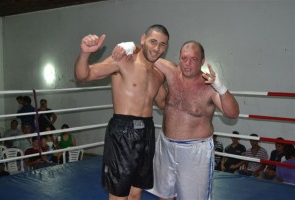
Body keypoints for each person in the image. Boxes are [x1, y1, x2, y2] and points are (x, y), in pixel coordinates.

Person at [113, 40, 239, 199]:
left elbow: (232, 113)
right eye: (184, 58)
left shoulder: (209, 85)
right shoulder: (171, 72)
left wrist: (221, 87)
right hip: (166, 146)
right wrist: (130, 46)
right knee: (164, 196)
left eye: (193, 59)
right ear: (179, 58)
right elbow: (150, 52)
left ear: (202, 61)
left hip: (194, 152)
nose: (187, 63)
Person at [74, 24, 169, 200]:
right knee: (119, 195)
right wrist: (85, 53)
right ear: (143, 39)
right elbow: (84, 75)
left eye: (162, 44)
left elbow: (164, 102)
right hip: (122, 131)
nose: (157, 48)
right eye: (153, 41)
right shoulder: (123, 60)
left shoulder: (158, 75)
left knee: (135, 193)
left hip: (147, 131)